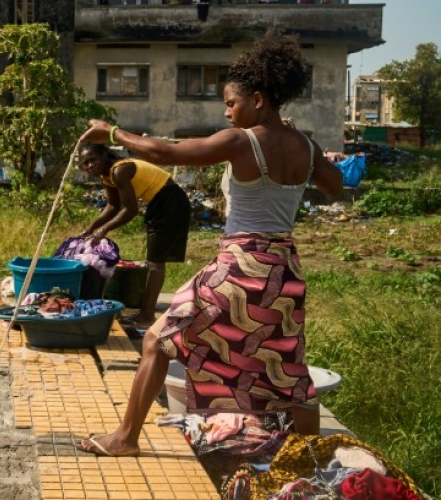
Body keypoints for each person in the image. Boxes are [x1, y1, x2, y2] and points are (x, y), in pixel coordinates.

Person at [76, 30, 343, 457]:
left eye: (231, 103)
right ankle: (309, 462)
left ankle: (124, 439)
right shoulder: (304, 145)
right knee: (290, 370)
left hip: (240, 264)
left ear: (258, 98)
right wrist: (305, 146)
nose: (227, 112)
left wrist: (113, 132)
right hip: (284, 271)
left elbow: (164, 151)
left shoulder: (242, 140)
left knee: (158, 341)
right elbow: (336, 184)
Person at [77, 144, 191, 325]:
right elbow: (113, 206)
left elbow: (130, 210)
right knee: (154, 261)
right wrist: (90, 229)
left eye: (92, 159)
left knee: (155, 263)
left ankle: (147, 315)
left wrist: (104, 229)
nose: (89, 165)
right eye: (85, 163)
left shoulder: (119, 170)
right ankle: (146, 313)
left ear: (104, 154)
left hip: (170, 201)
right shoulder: (106, 176)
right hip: (159, 202)